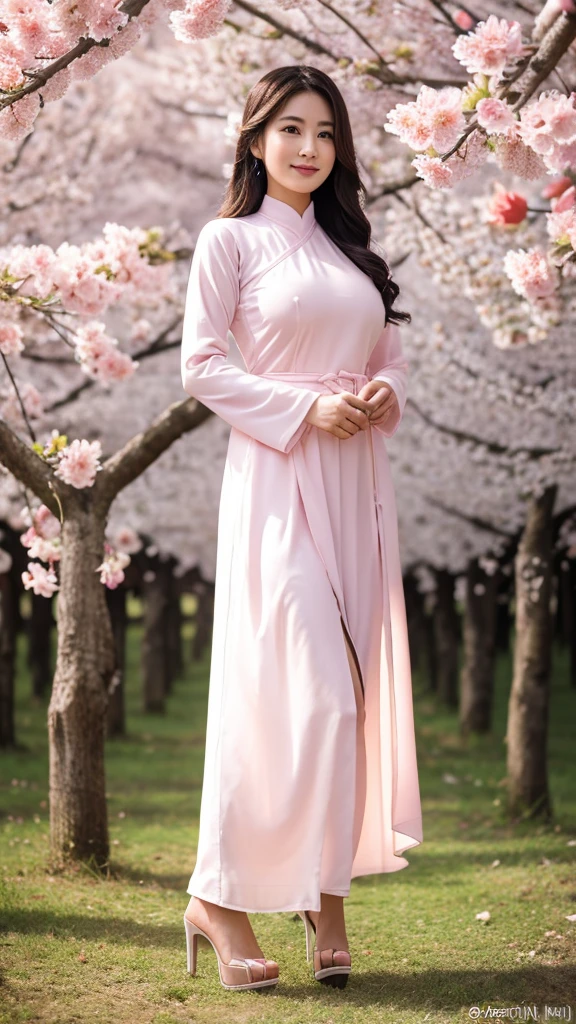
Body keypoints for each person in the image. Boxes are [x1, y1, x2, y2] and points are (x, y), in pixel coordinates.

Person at [180, 63, 423, 992]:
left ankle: (327, 904)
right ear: (254, 139)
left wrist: (380, 390)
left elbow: (390, 353)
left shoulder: (353, 250)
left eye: (325, 132)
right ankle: (221, 898)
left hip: (357, 477)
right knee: (298, 690)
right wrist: (300, 408)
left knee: (345, 697)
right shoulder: (229, 241)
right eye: (291, 129)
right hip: (279, 475)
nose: (310, 148)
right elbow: (203, 367)